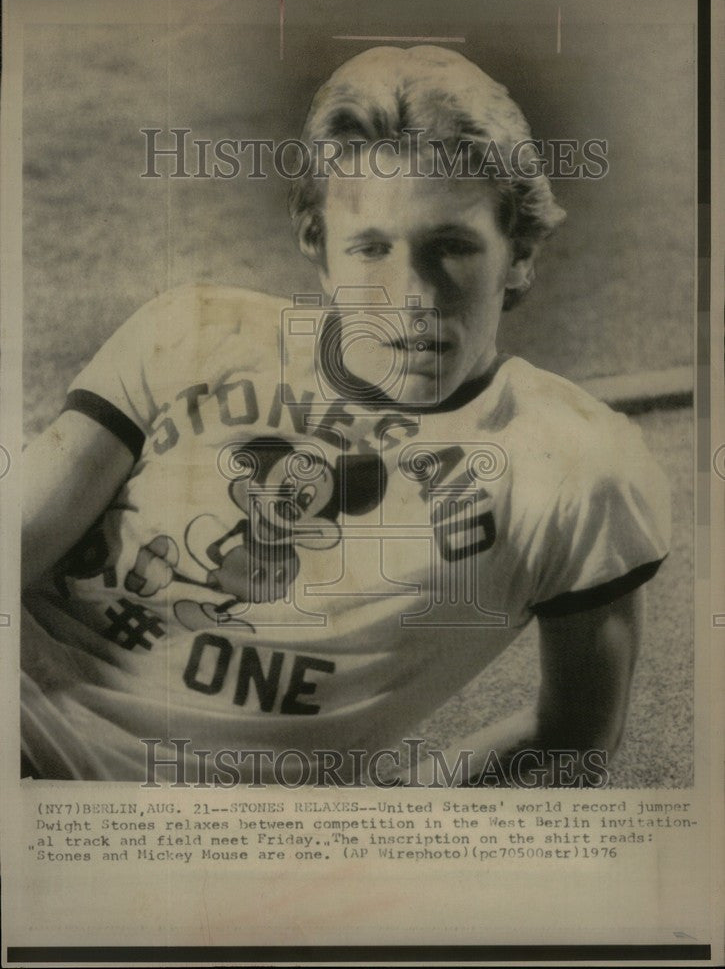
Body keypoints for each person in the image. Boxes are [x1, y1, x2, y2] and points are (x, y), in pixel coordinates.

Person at [21, 45, 670, 785]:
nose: (410, 296)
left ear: (518, 255)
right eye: (370, 248)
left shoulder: (573, 467)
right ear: (318, 249)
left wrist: (391, 825)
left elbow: (572, 744)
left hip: (185, 831)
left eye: (450, 246)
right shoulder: (192, 330)